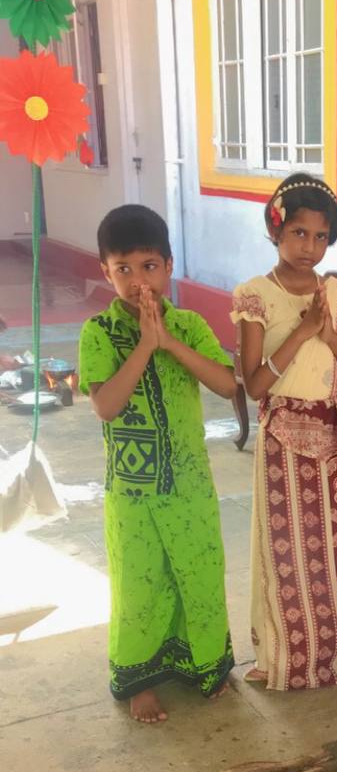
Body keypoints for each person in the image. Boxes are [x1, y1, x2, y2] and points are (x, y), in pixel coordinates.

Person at [78, 205, 236, 723]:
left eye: (148, 266)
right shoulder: (98, 332)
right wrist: (145, 346)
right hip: (133, 491)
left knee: (198, 573)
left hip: (189, 483)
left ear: (168, 266)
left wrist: (168, 341)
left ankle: (202, 663)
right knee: (140, 582)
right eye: (123, 269)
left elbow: (227, 383)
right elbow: (107, 406)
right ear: (106, 271)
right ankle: (140, 679)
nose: (137, 280)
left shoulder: (188, 324)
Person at [233, 172, 337, 691]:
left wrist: (331, 335)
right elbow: (255, 384)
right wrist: (302, 333)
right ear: (276, 230)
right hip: (282, 437)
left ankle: (327, 658)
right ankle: (282, 658)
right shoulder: (254, 295)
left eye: (319, 236)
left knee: (332, 555)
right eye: (297, 233)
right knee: (285, 552)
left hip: (334, 436)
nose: (308, 247)